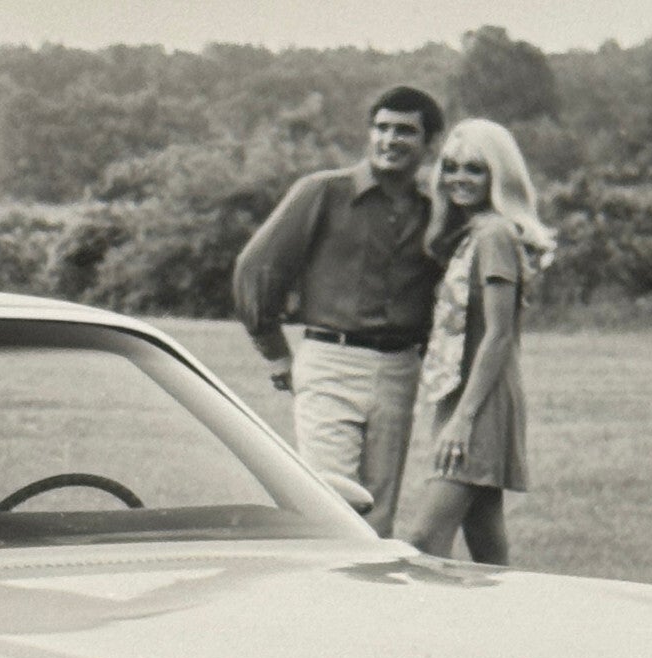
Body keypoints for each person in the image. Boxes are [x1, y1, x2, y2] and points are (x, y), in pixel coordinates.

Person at [233, 86, 444, 536]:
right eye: (382, 128)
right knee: (330, 502)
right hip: (331, 360)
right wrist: (275, 353)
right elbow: (257, 268)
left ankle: (367, 603)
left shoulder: (433, 210)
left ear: (430, 144)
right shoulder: (322, 193)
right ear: (369, 134)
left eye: (405, 131)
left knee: (379, 512)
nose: (390, 140)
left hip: (400, 369)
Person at [400, 119, 554, 566]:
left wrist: (463, 420)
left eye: (474, 169)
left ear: (497, 175)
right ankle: (509, 628)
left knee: (425, 542)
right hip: (463, 396)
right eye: (450, 167)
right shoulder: (474, 234)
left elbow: (499, 335)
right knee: (486, 540)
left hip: (480, 403)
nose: (458, 179)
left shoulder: (495, 236)